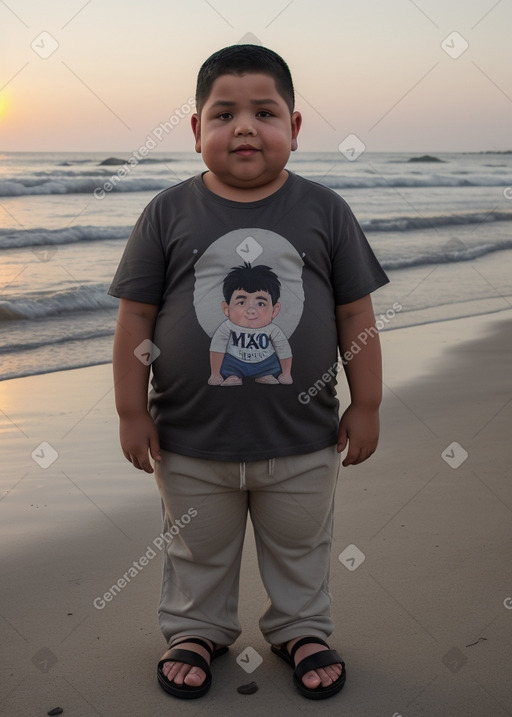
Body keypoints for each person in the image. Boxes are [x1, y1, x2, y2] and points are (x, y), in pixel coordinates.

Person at [109, 43, 389, 701]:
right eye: (223, 113)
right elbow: (135, 320)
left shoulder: (324, 212)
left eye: (264, 112)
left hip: (304, 438)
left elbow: (356, 314)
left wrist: (367, 401)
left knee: (301, 543)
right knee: (196, 548)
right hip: (189, 440)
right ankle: (196, 628)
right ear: (196, 130)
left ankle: (300, 626)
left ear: (293, 128)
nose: (242, 127)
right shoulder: (167, 214)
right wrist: (131, 409)